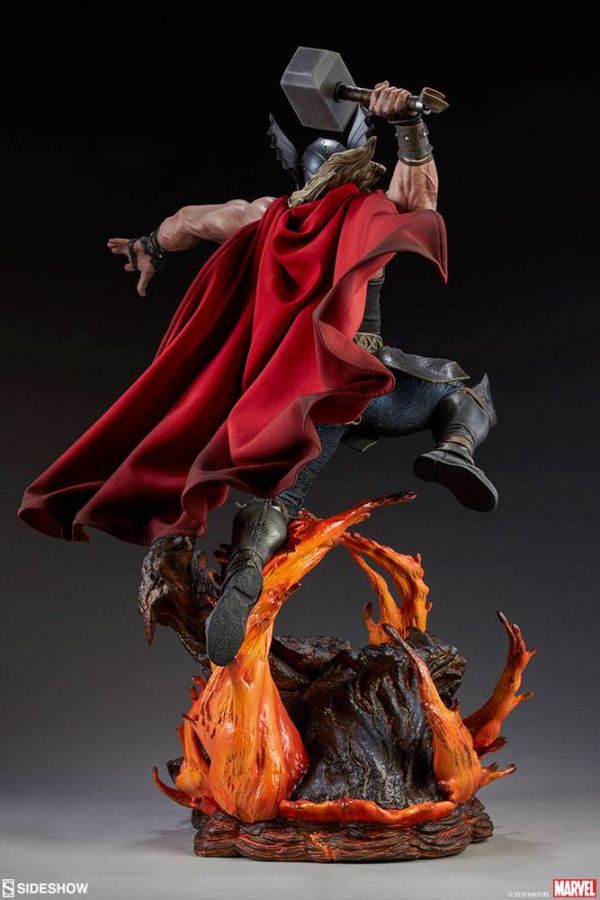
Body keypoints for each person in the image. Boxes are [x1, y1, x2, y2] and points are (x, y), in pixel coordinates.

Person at [17, 83, 498, 667]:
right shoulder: (366, 216)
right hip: (369, 385)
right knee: (462, 390)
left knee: (280, 496)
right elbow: (421, 201)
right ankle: (454, 448)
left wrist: (149, 248)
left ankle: (244, 570)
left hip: (296, 398)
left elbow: (188, 221)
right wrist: (410, 127)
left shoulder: (265, 216)